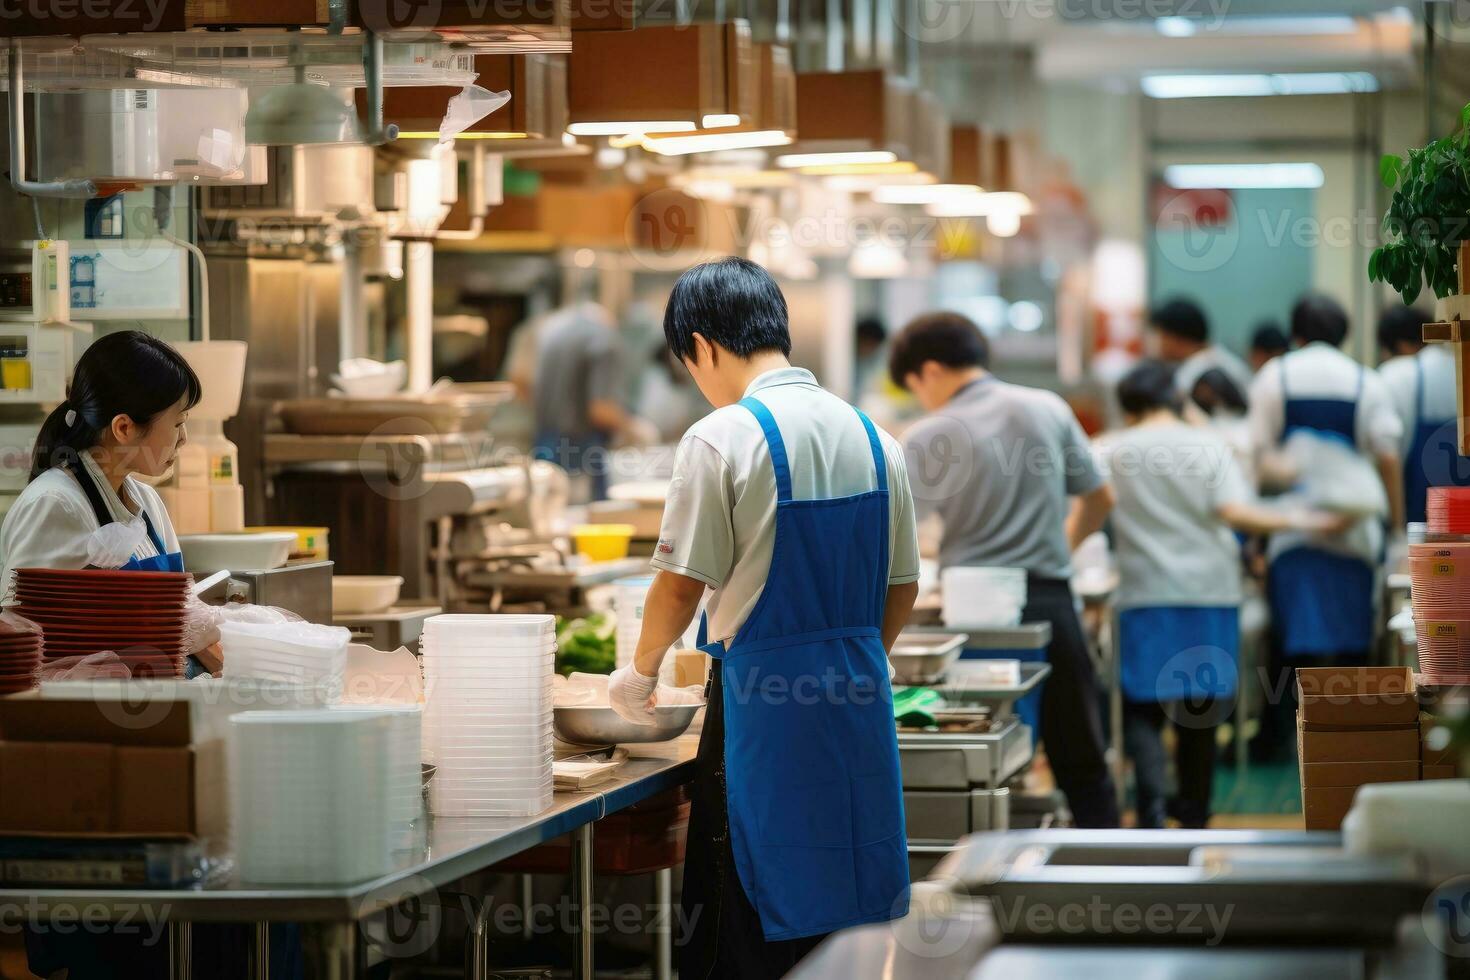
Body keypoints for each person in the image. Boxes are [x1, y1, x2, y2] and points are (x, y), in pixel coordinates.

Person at [606, 257, 921, 978]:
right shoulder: (876, 437)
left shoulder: (722, 436)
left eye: (690, 363)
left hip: (763, 704)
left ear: (702, 345)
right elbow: (901, 585)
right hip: (858, 693)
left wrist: (641, 670)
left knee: (744, 911)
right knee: (843, 904)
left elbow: (682, 582)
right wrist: (852, 658)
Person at [0, 330, 267, 978]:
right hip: (92, 759)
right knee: (121, 953)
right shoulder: (54, 504)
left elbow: (174, 611)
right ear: (124, 426)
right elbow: (22, 638)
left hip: (162, 738)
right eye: (175, 424)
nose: (180, 439)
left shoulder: (145, 502)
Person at [889, 311, 1120, 828]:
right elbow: (1101, 498)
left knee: (981, 756)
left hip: (973, 617)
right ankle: (1112, 879)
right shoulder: (1047, 407)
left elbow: (900, 535)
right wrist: (1059, 545)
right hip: (1051, 602)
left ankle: (988, 877)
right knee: (1081, 757)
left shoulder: (928, 433)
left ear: (927, 370)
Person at [1097, 361, 1344, 828]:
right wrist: (1304, 520)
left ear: (1129, 408)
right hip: (1208, 592)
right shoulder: (1209, 446)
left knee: (1144, 705)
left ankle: (1150, 808)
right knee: (1199, 709)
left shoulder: (1113, 449)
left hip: (1144, 593)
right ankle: (1194, 813)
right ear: (1175, 398)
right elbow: (1236, 512)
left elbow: (1091, 506)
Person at [1247, 295, 1404, 757]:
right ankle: (1354, 738)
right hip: (1354, 533)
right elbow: (1388, 458)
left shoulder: (1275, 376)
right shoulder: (1366, 381)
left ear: (1295, 333)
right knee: (1355, 641)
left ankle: (1284, 742)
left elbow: (1257, 460)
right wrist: (1394, 528)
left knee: (1289, 645)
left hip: (1293, 530)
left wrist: (1257, 537)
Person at [530, 300, 634, 500]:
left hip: (544, 442)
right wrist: (632, 428)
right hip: (581, 449)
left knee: (545, 510)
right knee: (587, 521)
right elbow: (600, 410)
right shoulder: (605, 340)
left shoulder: (553, 335)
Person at [1380, 305, 1468, 524]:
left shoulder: (1395, 376)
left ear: (1400, 346)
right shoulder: (1461, 368)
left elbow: (1386, 457)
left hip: (1419, 524)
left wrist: (1395, 531)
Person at [1150, 297, 1253, 402]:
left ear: (1175, 338)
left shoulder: (1194, 373)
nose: (1156, 343)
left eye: (1160, 335)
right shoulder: (1224, 359)